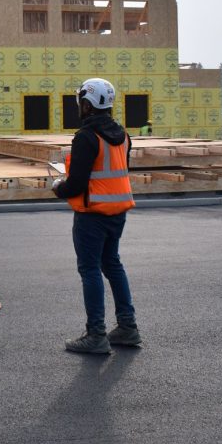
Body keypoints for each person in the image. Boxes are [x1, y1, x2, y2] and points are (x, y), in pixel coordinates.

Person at [51, 78, 141, 355]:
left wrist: (58, 188)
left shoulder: (87, 137)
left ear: (87, 104)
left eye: (81, 101)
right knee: (112, 264)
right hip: (117, 212)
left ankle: (96, 334)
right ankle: (127, 327)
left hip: (92, 215)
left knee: (90, 270)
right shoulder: (123, 135)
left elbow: (77, 183)